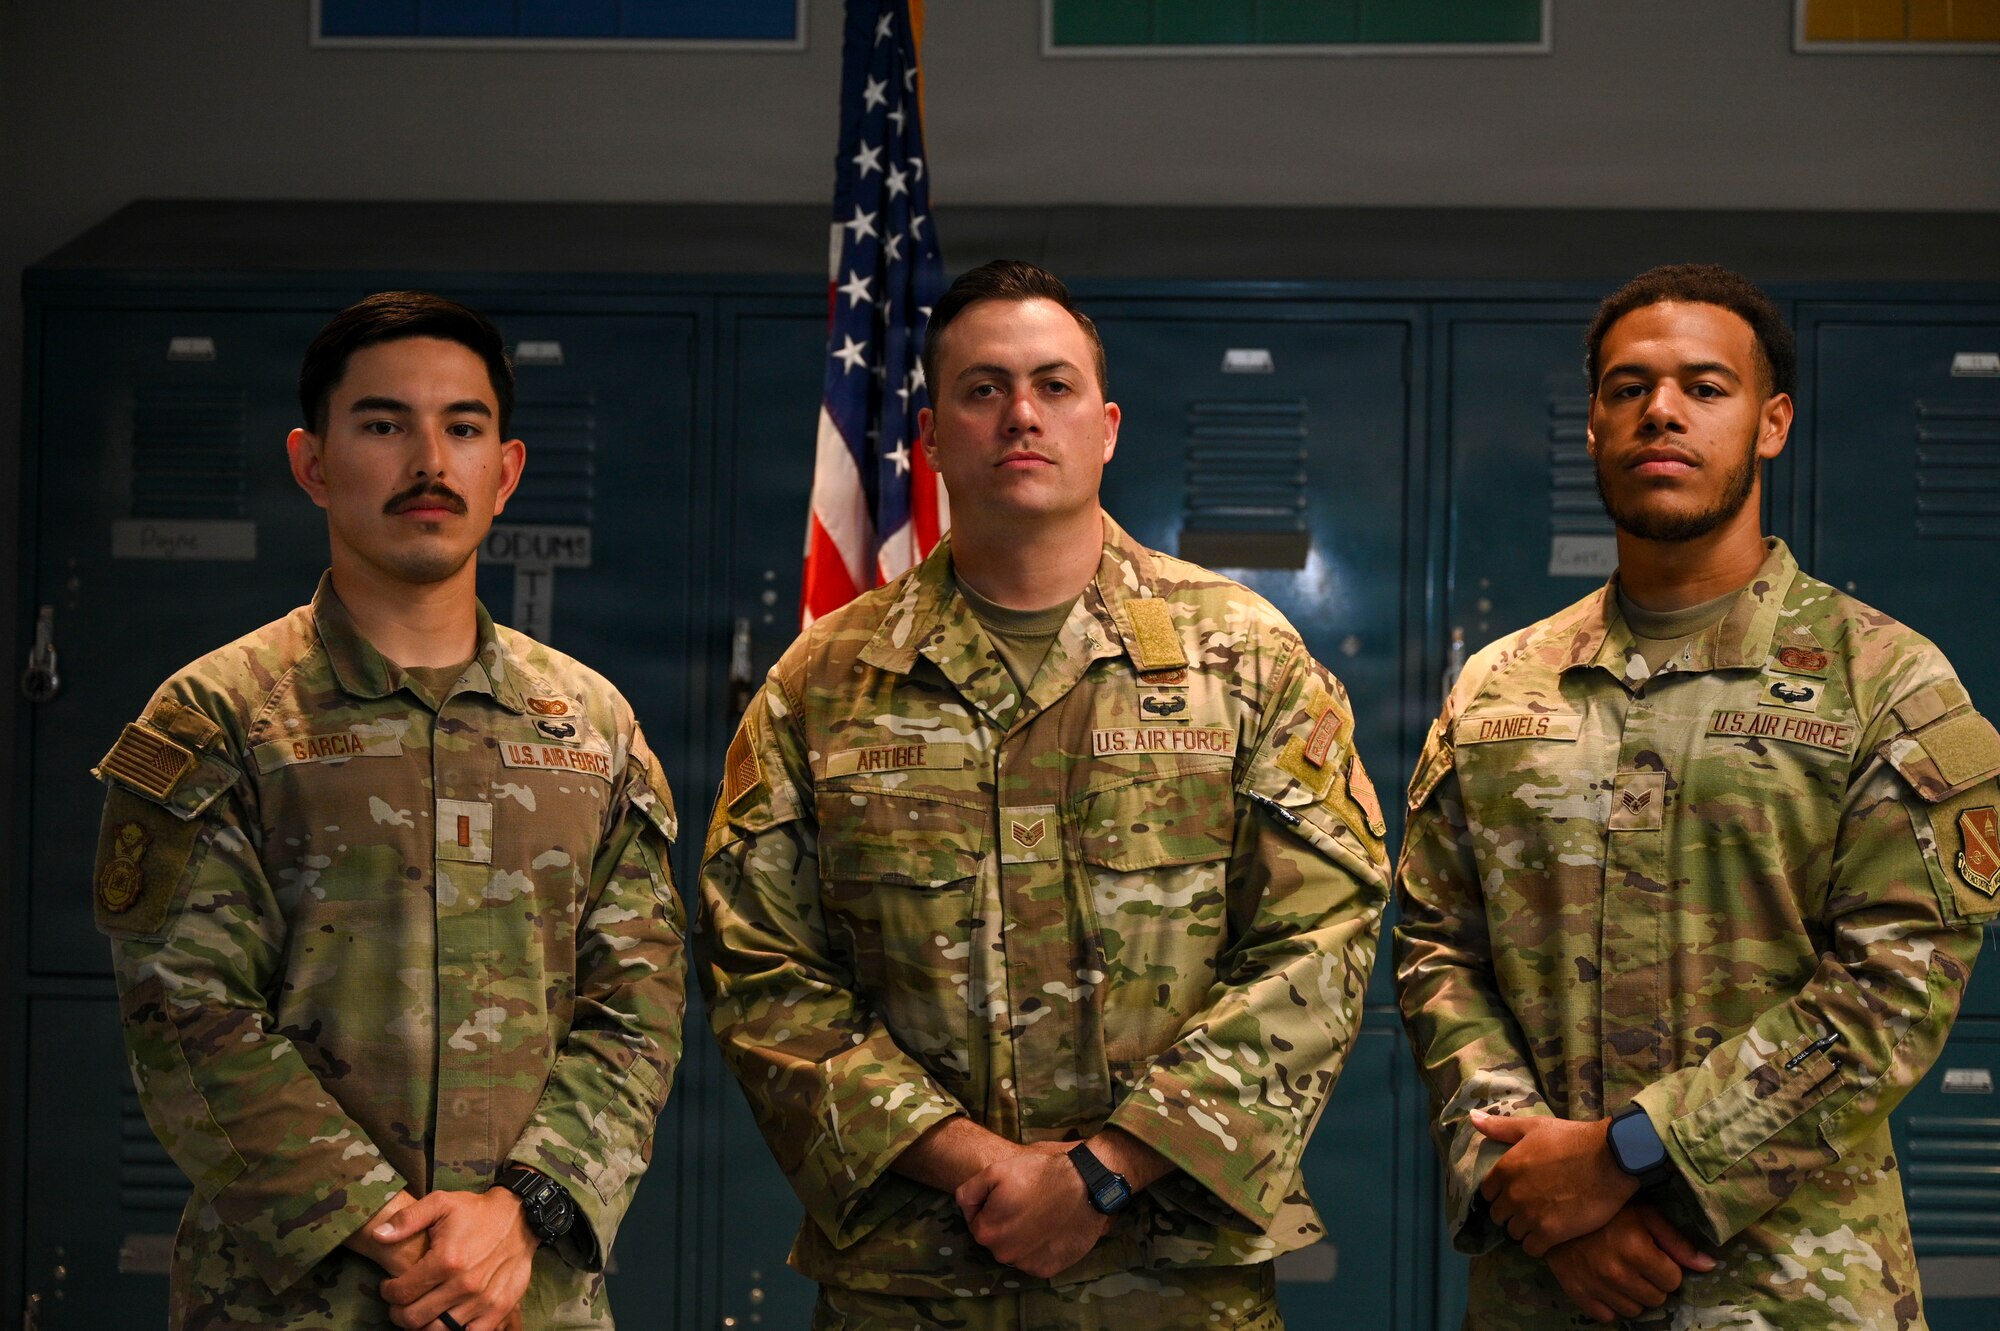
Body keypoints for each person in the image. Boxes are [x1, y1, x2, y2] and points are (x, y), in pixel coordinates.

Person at [696, 260, 1389, 1330]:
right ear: (930, 435)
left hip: (1169, 1283)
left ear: (1105, 426)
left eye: (1052, 385)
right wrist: (973, 1160)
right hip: (910, 1281)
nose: (1020, 413)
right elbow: (760, 968)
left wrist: (1107, 1170)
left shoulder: (1243, 660)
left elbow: (1320, 937)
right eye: (982, 389)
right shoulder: (820, 685)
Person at [1396, 263, 2000, 1328]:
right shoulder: (1498, 688)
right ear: (1590, 422)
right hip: (1546, 1283)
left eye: (1701, 386)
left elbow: (1891, 991)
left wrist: (1631, 1156)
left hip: (1794, 1289)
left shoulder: (1886, 682)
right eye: (1625, 387)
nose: (1659, 411)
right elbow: (1437, 948)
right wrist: (1529, 1186)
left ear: (1769, 423)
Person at [91, 292, 687, 1331]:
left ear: (503, 471)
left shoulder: (590, 724)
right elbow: (185, 1013)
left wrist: (520, 1213)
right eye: (382, 423)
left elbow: (637, 1006)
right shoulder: (218, 715)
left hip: (527, 1292)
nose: (427, 457)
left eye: (462, 426)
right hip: (290, 1300)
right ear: (312, 461)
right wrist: (387, 1225)